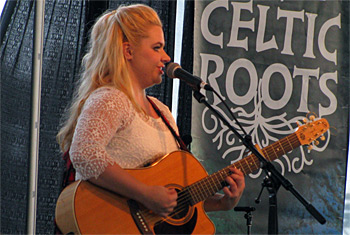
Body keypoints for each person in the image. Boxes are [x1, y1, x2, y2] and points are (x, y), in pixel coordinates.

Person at [57, 4, 245, 221]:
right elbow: (85, 154)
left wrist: (222, 203)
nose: (166, 57)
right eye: (157, 48)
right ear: (128, 51)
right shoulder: (111, 98)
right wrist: (144, 194)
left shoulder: (162, 111)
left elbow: (174, 198)